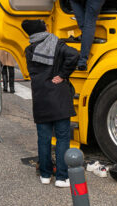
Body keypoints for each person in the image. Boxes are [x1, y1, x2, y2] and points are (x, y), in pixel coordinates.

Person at [21, 19, 79, 188]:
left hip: (41, 96)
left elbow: (33, 73)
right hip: (59, 96)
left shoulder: (29, 49)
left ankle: (45, 175)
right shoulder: (56, 44)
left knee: (43, 139)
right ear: (42, 29)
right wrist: (62, 75)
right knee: (62, 138)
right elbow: (74, 55)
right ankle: (62, 177)